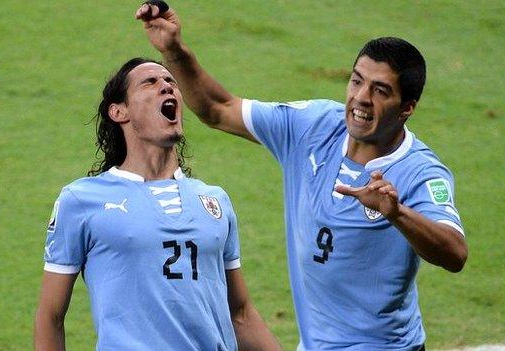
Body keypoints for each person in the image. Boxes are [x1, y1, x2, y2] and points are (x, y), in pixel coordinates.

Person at [137, 3, 468, 350]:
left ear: (407, 108)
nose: (361, 98)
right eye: (357, 81)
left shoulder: (420, 171)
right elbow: (218, 109)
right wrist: (174, 51)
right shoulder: (313, 127)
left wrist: (397, 213)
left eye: (380, 91)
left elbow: (455, 254)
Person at [34, 57, 282, 351]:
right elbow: (50, 317)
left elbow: (241, 315)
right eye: (150, 82)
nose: (166, 86)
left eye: (171, 82)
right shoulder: (82, 201)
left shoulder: (215, 201)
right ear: (119, 111)